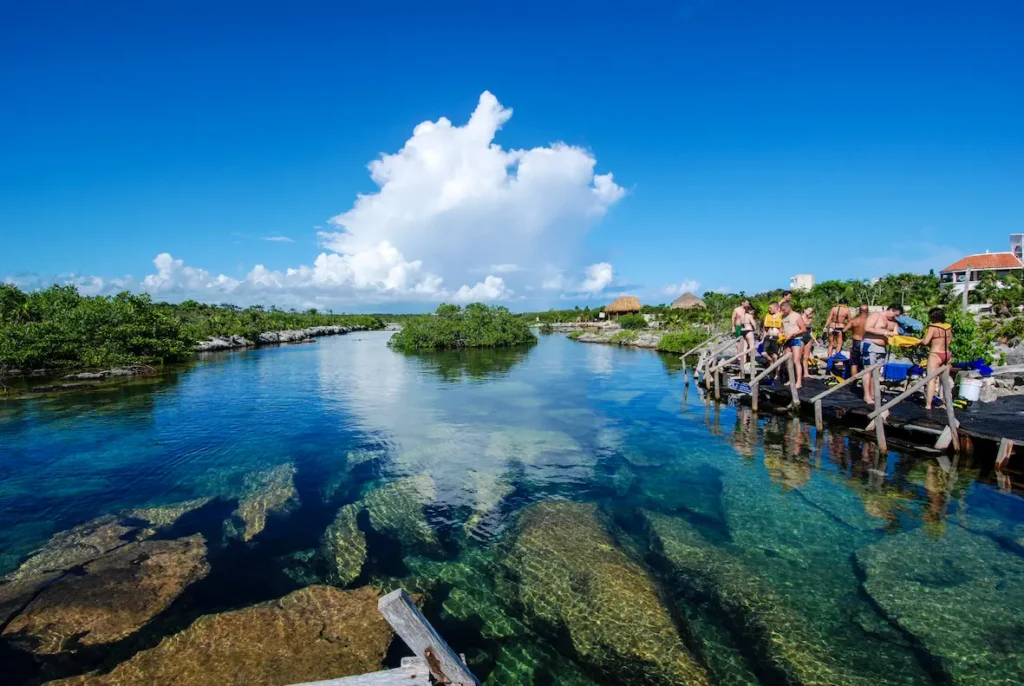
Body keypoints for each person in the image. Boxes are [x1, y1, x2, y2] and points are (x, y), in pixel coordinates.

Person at [862, 304, 903, 405]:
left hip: (882, 349)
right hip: (870, 345)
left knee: (876, 372)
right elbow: (867, 328)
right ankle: (867, 396)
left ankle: (873, 394)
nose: (894, 318)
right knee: (868, 370)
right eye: (894, 315)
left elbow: (896, 334)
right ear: (891, 309)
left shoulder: (894, 322)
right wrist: (885, 332)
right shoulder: (876, 315)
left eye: (897, 316)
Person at [918, 308, 953, 410]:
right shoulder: (948, 327)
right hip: (947, 354)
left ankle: (928, 405)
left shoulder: (932, 327)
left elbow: (925, 341)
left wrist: (920, 342)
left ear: (933, 317)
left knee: (931, 380)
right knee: (945, 381)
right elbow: (950, 340)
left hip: (935, 354)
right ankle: (948, 404)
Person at [780, 300, 807, 389]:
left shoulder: (796, 316)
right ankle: (791, 379)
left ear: (788, 307)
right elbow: (782, 329)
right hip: (786, 340)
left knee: (796, 360)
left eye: (783, 310)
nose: (782, 311)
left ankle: (799, 381)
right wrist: (781, 335)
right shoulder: (783, 317)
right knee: (788, 361)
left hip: (795, 339)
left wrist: (793, 334)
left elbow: (803, 329)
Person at [844, 304, 870, 377]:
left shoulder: (854, 320)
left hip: (856, 341)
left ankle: (854, 381)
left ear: (859, 311)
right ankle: (866, 381)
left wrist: (853, 330)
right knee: (867, 363)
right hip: (867, 342)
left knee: (854, 363)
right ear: (868, 311)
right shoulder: (870, 321)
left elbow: (844, 330)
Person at [762, 302, 783, 366]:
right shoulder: (768, 315)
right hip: (768, 336)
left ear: (776, 308)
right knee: (764, 353)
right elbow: (765, 329)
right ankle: (770, 361)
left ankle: (777, 374)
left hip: (776, 337)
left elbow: (784, 327)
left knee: (775, 356)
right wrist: (763, 338)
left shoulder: (782, 316)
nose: (769, 309)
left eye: (770, 308)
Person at [800, 307, 815, 378]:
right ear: (804, 310)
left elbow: (811, 331)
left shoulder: (810, 320)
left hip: (808, 338)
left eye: (811, 311)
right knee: (799, 357)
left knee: (806, 357)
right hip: (801, 337)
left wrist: (815, 340)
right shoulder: (800, 318)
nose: (810, 312)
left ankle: (806, 373)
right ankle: (798, 372)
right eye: (809, 310)